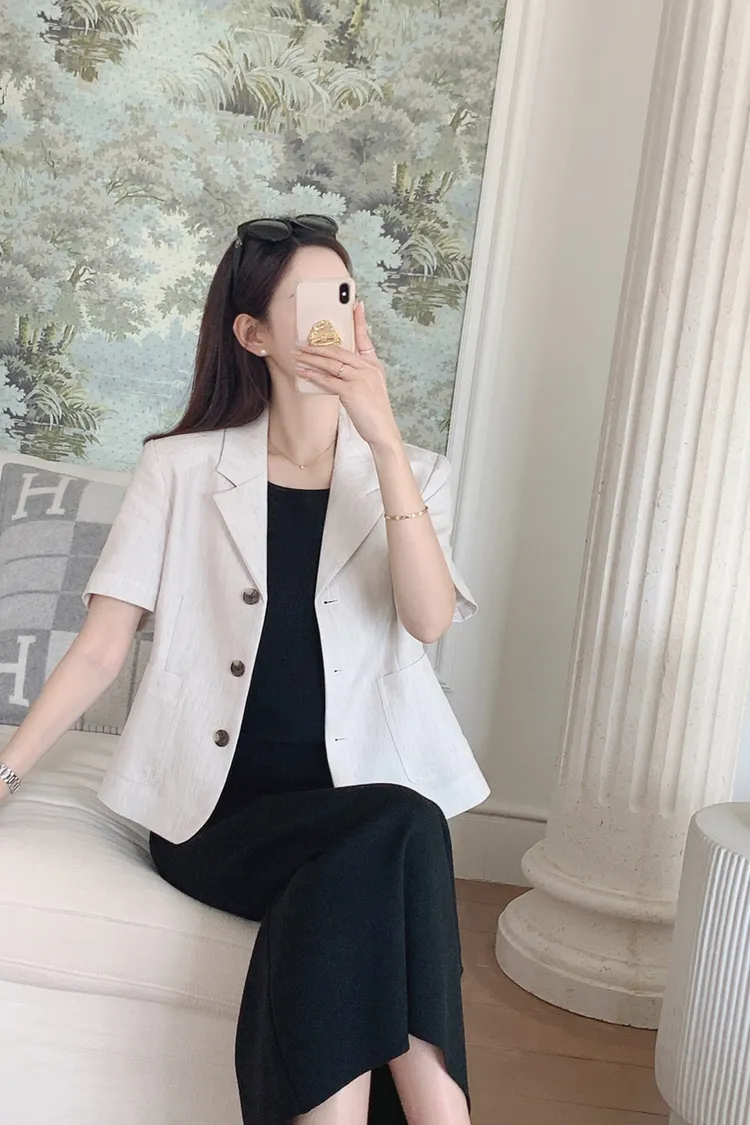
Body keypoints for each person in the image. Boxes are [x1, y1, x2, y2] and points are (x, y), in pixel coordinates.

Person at [0, 214, 490, 1125]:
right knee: (403, 826)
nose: (332, 317)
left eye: (344, 295)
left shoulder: (414, 471)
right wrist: (6, 772)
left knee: (385, 838)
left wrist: (384, 442)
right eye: (306, 300)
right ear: (253, 332)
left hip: (347, 803)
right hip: (215, 812)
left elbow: (425, 620)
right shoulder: (179, 468)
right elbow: (103, 645)